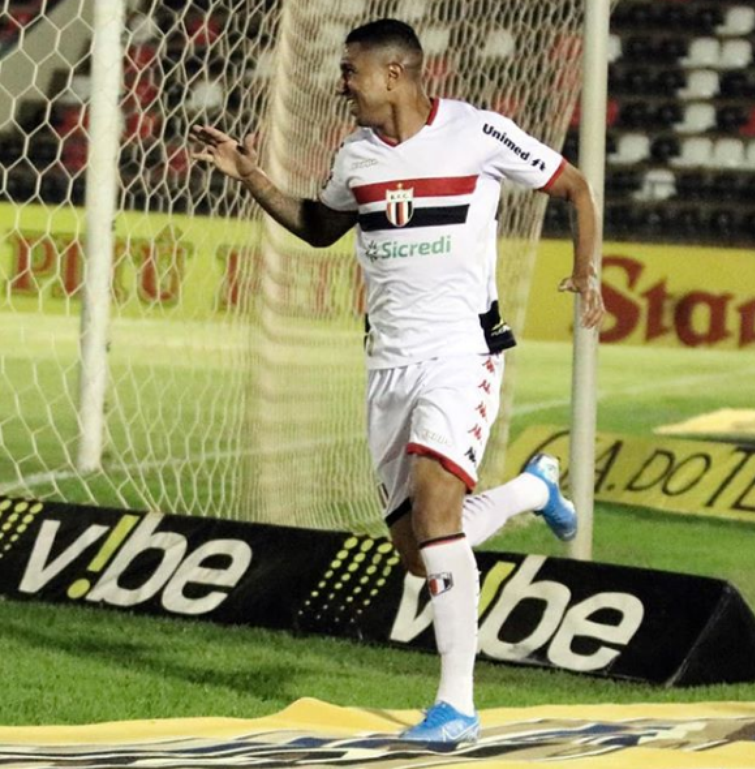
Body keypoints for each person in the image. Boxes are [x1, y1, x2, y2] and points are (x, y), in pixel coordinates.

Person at [191, 18, 604, 745]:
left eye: (350, 72)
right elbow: (321, 227)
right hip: (388, 364)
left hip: (461, 354)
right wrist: (251, 175)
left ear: (396, 73)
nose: (340, 85)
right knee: (421, 554)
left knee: (440, 516)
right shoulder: (354, 156)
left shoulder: (477, 132)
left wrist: (587, 271)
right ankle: (532, 490)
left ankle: (456, 705)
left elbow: (573, 186)